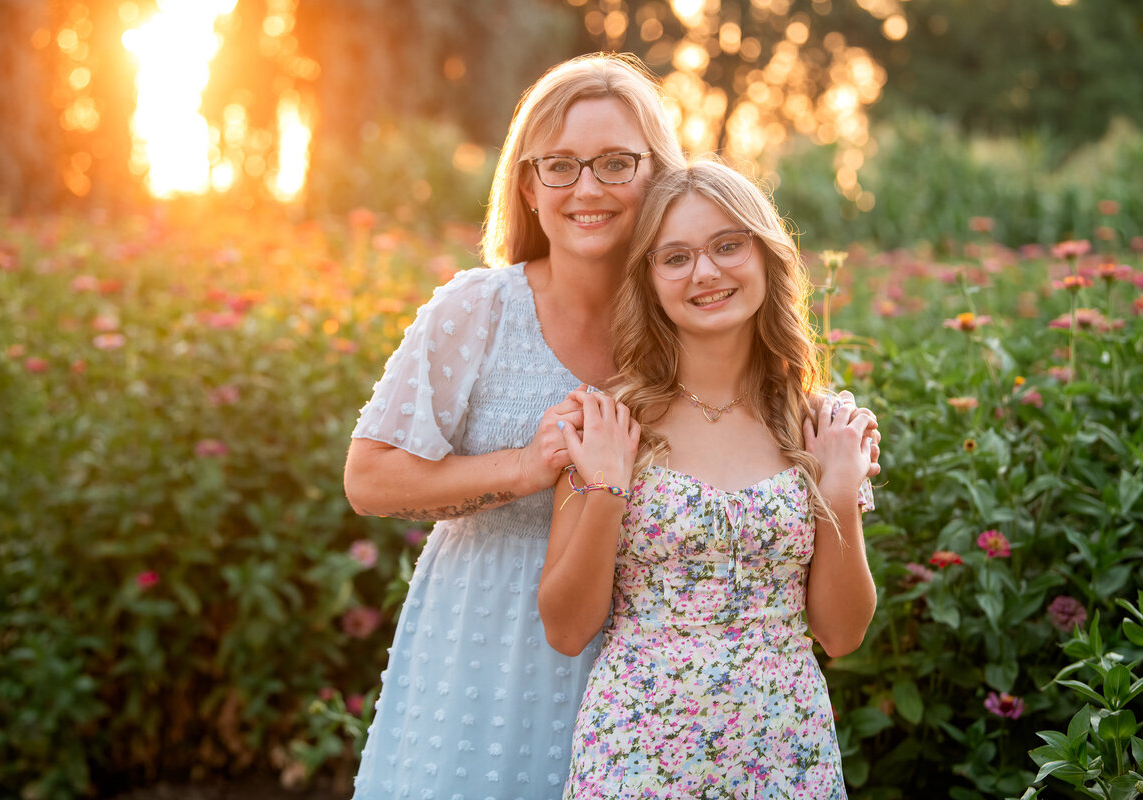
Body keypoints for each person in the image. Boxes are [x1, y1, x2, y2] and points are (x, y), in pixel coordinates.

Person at [344, 52, 879, 800]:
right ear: (528, 185)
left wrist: (839, 483)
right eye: (559, 166)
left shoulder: (691, 340)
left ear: (657, 175)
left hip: (644, 680)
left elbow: (839, 620)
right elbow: (367, 478)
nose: (586, 187)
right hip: (490, 635)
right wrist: (526, 467)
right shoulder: (478, 310)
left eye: (615, 163)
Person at [539, 159, 877, 798]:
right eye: (676, 257)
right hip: (635, 758)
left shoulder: (819, 425)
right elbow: (564, 629)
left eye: (728, 245)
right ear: (649, 279)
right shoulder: (608, 421)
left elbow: (841, 633)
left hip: (786, 754)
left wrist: (838, 494)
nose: (706, 272)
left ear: (765, 256)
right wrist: (609, 488)